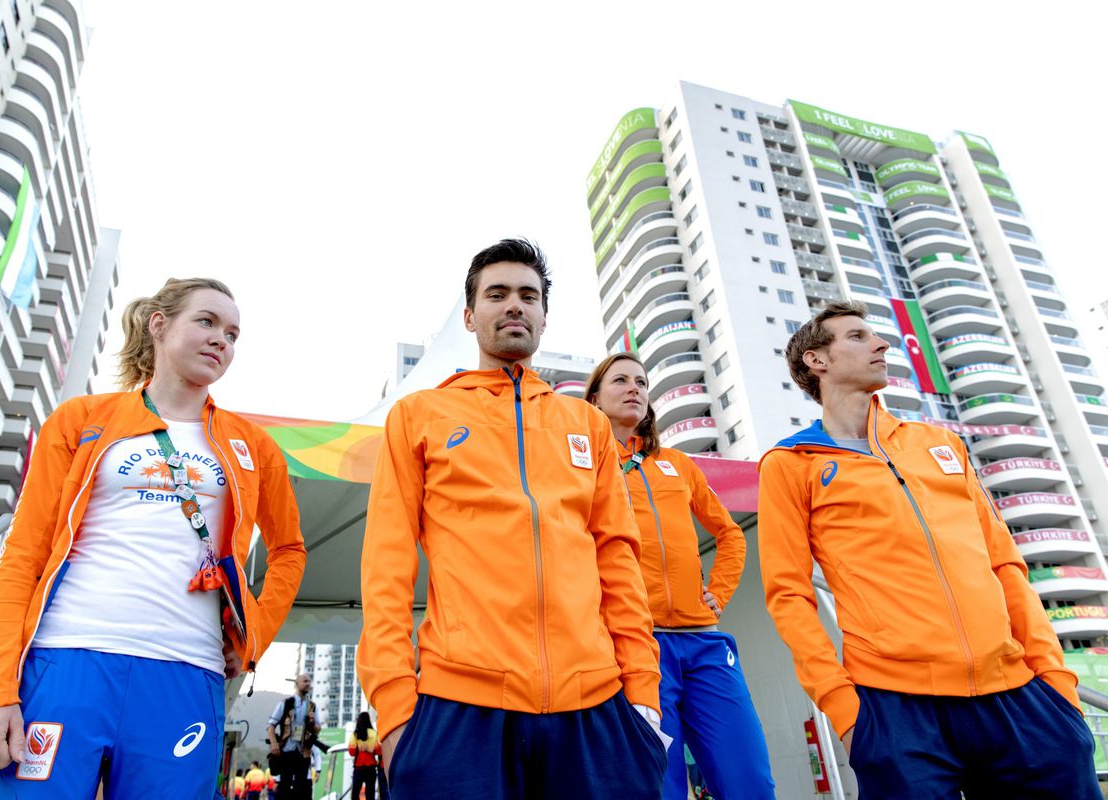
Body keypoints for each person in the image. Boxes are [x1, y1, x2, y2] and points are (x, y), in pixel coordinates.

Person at [0, 278, 307, 798]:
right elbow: (23, 554)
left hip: (186, 671)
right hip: (66, 657)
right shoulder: (81, 420)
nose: (221, 341)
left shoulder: (251, 444)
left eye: (232, 334)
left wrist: (252, 636)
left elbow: (289, 551)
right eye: (206, 322)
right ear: (158, 324)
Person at [357, 239, 667, 798]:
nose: (515, 305)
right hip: (459, 707)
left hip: (597, 704)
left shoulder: (587, 424)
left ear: (545, 316)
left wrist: (643, 697)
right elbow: (386, 566)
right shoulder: (419, 416)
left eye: (529, 295)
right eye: (497, 294)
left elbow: (617, 557)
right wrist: (396, 711)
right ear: (471, 316)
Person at [758, 300, 1098, 798]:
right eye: (857, 336)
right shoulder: (791, 464)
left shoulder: (939, 443)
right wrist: (846, 712)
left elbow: (1005, 564)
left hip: (1019, 695)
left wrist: (1056, 682)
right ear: (817, 360)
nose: (881, 343)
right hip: (896, 708)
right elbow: (788, 594)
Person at [586, 352, 776, 800]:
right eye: (621, 381)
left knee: (749, 780)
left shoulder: (679, 465)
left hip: (705, 641)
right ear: (594, 398)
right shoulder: (586, 464)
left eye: (641, 381)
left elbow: (731, 535)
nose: (635, 388)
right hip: (636, 647)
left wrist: (719, 593)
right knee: (660, 786)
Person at [266, 672, 328, 798]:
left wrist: (313, 725)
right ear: (297, 684)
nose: (308, 684)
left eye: (309, 681)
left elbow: (318, 728)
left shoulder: (312, 706)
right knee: (284, 786)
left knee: (301, 788)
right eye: (305, 681)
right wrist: (274, 743)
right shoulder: (285, 703)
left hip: (303, 752)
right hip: (287, 750)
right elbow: (271, 725)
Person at [347, 711, 380, 800]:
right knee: (370, 794)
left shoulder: (355, 734)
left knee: (355, 794)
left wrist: (360, 748)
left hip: (359, 767)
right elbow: (379, 751)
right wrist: (369, 748)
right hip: (371, 767)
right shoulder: (374, 733)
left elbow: (351, 752)